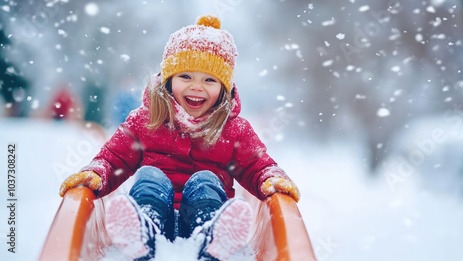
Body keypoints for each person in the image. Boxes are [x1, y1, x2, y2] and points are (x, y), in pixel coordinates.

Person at [58, 15, 300, 260]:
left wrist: (272, 178)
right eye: (186, 77)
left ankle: (213, 239)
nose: (197, 86)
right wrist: (97, 172)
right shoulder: (145, 120)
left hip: (203, 223)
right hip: (155, 218)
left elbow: (257, 165)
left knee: (206, 180)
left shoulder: (234, 130)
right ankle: (141, 233)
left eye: (209, 80)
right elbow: (113, 158)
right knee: (149, 176)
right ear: (168, 80)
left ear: (224, 88)